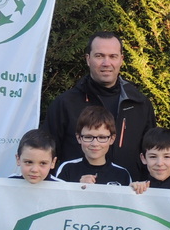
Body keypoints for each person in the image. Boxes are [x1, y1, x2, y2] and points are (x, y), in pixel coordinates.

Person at [45, 32, 156, 180]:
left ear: (121, 60)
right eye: (99, 56)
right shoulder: (65, 104)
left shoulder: (140, 104)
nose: (106, 63)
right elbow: (46, 155)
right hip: (77, 191)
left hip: (127, 191)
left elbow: (152, 154)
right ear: (88, 59)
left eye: (113, 56)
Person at [54, 106, 132, 185]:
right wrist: (78, 186)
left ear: (112, 139)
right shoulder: (67, 169)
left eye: (102, 137)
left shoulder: (122, 174)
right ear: (79, 138)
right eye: (88, 137)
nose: (95, 144)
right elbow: (58, 193)